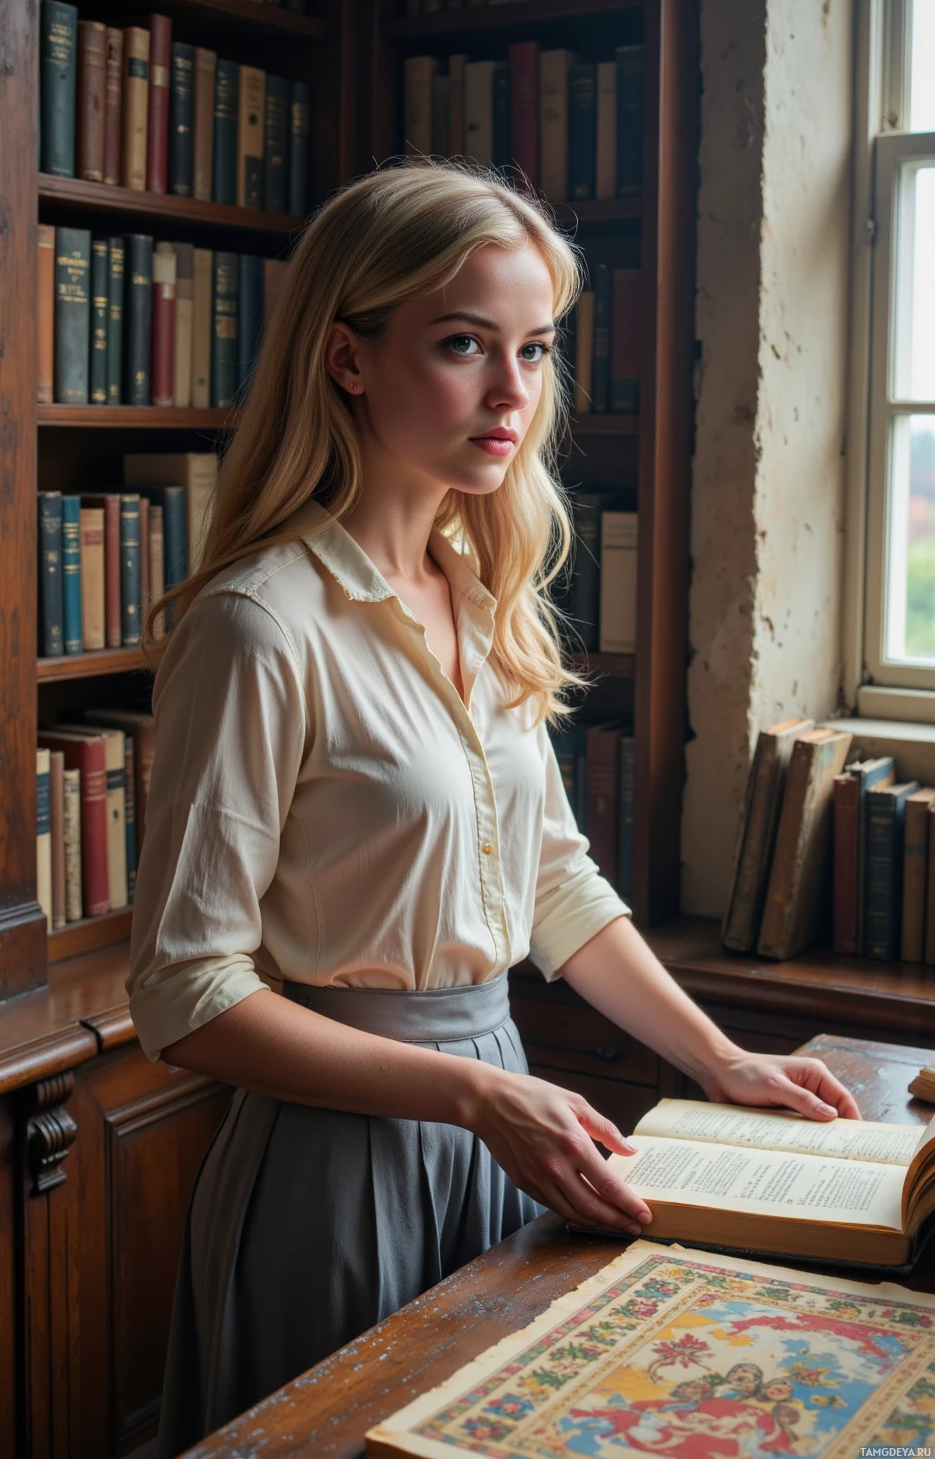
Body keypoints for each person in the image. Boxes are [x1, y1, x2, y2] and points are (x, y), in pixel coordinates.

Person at [126, 159, 861, 1457]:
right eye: (464, 344)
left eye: (534, 348)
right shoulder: (260, 626)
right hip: (337, 1164)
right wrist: (471, 1095)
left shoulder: (486, 593)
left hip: (506, 1122)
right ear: (350, 359)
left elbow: (554, 884)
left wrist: (720, 1060)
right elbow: (187, 993)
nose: (513, 391)